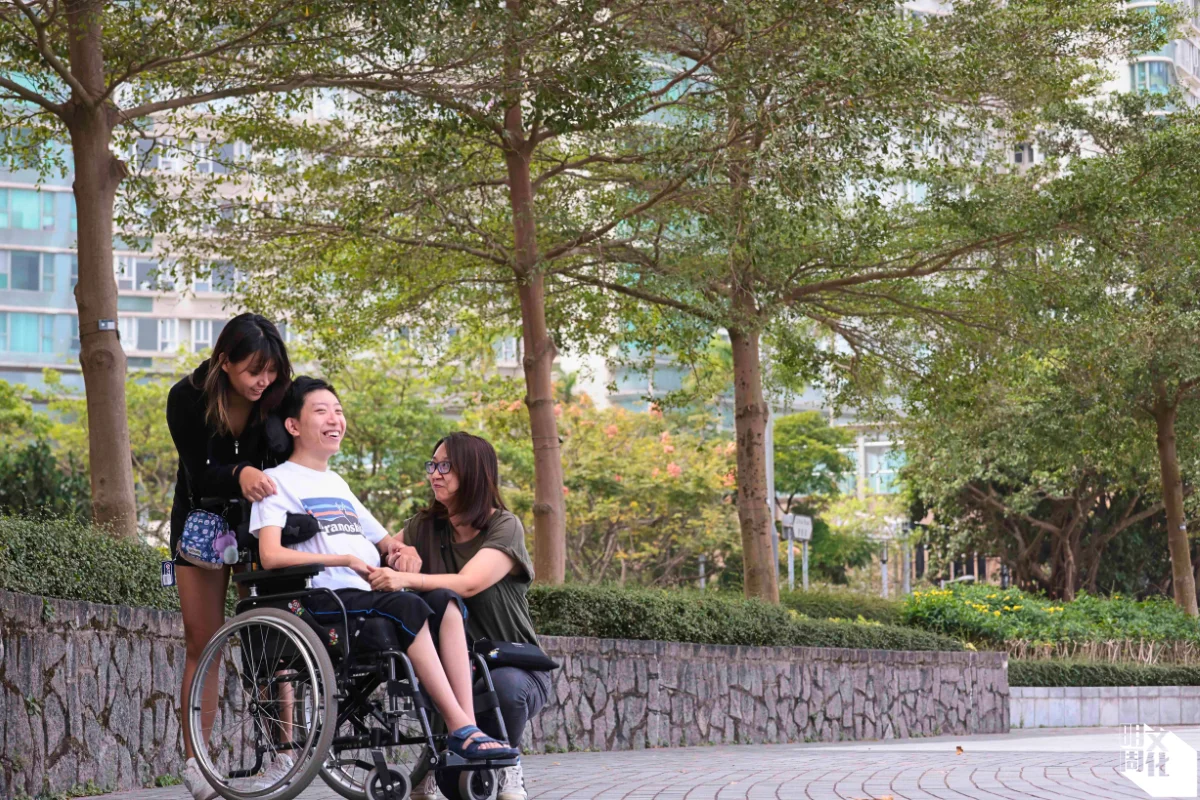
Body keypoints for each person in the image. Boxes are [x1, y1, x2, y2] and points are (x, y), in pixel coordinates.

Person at [249, 376, 519, 777]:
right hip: (321, 600)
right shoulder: (277, 481)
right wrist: (345, 558)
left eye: (338, 411)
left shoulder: (337, 483)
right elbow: (270, 555)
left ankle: (466, 729)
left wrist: (403, 551)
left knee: (445, 602)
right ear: (293, 425)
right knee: (407, 606)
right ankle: (460, 726)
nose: (335, 419)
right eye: (321, 411)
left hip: (361, 598)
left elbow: (387, 542)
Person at [369, 432, 550, 800]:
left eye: (445, 466)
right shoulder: (423, 526)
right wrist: (398, 552)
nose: (435, 474)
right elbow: (377, 550)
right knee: (457, 788)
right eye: (432, 465)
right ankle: (435, 761)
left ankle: (508, 763)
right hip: (453, 669)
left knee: (506, 690)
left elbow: (469, 583)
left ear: (474, 472)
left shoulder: (504, 526)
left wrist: (407, 578)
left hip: (511, 663)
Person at [167, 313, 293, 800]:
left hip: (262, 525)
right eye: (254, 370)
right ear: (224, 361)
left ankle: (285, 752)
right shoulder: (187, 398)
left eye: (272, 371)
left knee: (272, 637)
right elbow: (199, 473)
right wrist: (240, 473)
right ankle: (196, 762)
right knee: (203, 644)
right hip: (203, 526)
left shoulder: (279, 397)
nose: (264, 381)